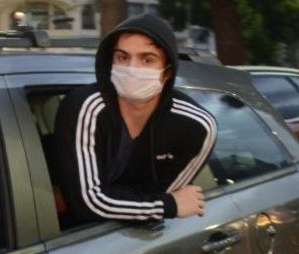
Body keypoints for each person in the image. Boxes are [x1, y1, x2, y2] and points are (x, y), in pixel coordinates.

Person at [49, 13, 217, 228]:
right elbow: (87, 203)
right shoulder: (85, 108)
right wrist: (167, 205)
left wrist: (99, 195)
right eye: (122, 57)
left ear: (167, 74)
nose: (131, 69)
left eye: (147, 60)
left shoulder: (197, 126)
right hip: (71, 237)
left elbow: (161, 195)